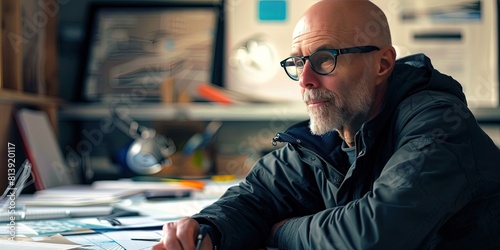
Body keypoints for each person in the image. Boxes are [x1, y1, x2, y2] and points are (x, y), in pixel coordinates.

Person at [152, 0, 500, 249]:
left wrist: (280, 233)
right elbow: (255, 198)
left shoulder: (437, 122)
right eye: (297, 62)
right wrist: (206, 230)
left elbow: (374, 234)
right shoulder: (332, 132)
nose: (304, 79)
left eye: (324, 59)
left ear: (382, 64)